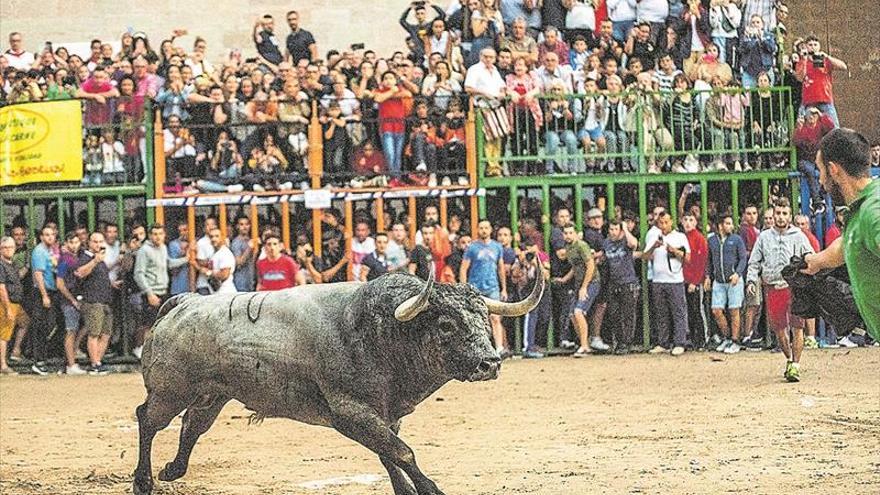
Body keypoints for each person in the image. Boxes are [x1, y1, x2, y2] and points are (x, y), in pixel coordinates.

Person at [803, 129, 879, 342]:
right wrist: (815, 261)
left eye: (820, 172)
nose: (820, 182)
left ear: (833, 169)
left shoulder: (872, 211)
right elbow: (848, 244)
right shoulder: (863, 206)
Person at [747, 198, 814, 382]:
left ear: (790, 216)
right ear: (773, 214)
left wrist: (810, 275)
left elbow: (810, 256)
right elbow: (754, 262)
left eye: (784, 213)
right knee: (779, 329)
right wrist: (751, 281)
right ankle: (789, 359)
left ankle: (795, 364)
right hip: (773, 286)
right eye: (778, 213)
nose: (781, 216)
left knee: (797, 326)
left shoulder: (799, 236)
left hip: (793, 286)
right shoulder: (764, 237)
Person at [133, 224, 189, 359]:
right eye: (155, 234)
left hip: (163, 291)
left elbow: (168, 263)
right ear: (150, 235)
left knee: (160, 323)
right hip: (151, 293)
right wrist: (149, 293)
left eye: (160, 234)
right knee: (148, 324)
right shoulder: (144, 251)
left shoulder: (163, 248)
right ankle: (140, 349)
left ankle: (152, 351)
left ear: (164, 235)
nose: (158, 237)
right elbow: (138, 274)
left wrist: (187, 259)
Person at [642, 212, 691, 356]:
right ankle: (663, 342)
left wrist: (674, 251)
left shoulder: (680, 237)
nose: (663, 226)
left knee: (678, 312)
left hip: (675, 280)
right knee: (661, 313)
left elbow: (687, 258)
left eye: (665, 222)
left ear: (671, 222)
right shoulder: (655, 236)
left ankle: (679, 342)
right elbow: (645, 256)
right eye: (660, 223)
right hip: (658, 280)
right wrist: (653, 247)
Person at [554, 223, 607, 356]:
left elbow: (590, 266)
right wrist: (565, 279)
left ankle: (583, 346)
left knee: (578, 312)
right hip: (579, 283)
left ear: (576, 233)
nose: (568, 235)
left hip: (591, 282)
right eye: (566, 233)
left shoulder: (581, 245)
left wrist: (584, 287)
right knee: (572, 314)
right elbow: (575, 266)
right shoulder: (569, 247)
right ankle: (585, 343)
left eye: (571, 232)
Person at [460, 219, 509, 356]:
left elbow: (500, 268)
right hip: (475, 288)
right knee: (477, 320)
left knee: (495, 318)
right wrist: (464, 288)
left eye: (486, 227)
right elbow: (463, 269)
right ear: (477, 229)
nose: (484, 230)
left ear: (491, 229)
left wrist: (503, 288)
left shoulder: (497, 247)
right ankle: (480, 349)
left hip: (493, 287)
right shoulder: (472, 247)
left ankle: (499, 348)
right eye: (481, 228)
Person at [705, 214, 748, 354]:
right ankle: (727, 337)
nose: (731, 226)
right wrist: (707, 276)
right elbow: (709, 261)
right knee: (716, 310)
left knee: (734, 310)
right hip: (718, 281)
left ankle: (735, 340)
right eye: (728, 223)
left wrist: (738, 273)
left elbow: (742, 258)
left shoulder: (737, 239)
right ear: (720, 225)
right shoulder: (712, 240)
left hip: (733, 280)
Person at [73, 232, 115, 375]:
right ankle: (95, 364)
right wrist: (95, 261)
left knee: (106, 334)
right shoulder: (85, 257)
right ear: (89, 243)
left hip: (105, 301)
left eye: (100, 241)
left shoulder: (100, 259)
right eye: (95, 242)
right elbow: (80, 273)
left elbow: (99, 277)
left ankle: (98, 361)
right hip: (92, 301)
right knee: (94, 334)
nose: (98, 244)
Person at [602, 220, 641, 354]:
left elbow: (634, 244)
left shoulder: (626, 240)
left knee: (628, 314)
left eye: (615, 229)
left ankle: (626, 343)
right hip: (614, 282)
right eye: (611, 229)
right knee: (614, 314)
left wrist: (626, 229)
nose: (613, 232)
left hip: (628, 282)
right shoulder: (606, 243)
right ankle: (619, 342)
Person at [28, 226, 61, 375]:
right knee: (41, 326)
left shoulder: (50, 251)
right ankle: (38, 360)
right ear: (41, 237)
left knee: (48, 325)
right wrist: (44, 295)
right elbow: (38, 274)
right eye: (46, 235)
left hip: (50, 291)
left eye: (52, 235)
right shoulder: (39, 251)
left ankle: (41, 359)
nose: (50, 237)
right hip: (43, 291)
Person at [510, 237, 550, 359]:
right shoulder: (520, 259)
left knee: (544, 316)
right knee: (531, 316)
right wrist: (521, 262)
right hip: (528, 290)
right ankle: (528, 347)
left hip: (543, 290)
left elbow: (547, 276)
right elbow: (514, 276)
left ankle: (537, 344)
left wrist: (535, 262)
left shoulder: (543, 256)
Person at [56, 232, 87, 375]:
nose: (74, 245)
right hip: (69, 301)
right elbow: (60, 284)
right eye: (71, 242)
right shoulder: (64, 260)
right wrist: (72, 300)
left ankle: (73, 355)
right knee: (71, 331)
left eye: (76, 242)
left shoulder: (77, 257)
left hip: (77, 299)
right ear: (66, 244)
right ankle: (71, 364)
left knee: (84, 326)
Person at [0, 236, 28, 375]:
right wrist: (7, 308)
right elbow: (1, 288)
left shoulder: (12, 264)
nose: (9, 250)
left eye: (11, 247)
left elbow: (18, 276)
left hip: (15, 303)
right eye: (5, 247)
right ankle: (3, 365)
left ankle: (16, 351)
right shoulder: (1, 265)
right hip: (7, 303)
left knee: (24, 322)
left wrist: (27, 266)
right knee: (4, 334)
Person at [681, 212, 709, 350]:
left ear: (695, 222)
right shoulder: (682, 238)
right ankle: (692, 338)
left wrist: (695, 281)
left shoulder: (699, 238)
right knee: (689, 311)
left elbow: (701, 262)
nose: (688, 223)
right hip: (683, 280)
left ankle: (702, 339)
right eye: (685, 220)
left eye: (691, 220)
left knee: (697, 309)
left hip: (694, 281)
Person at [196, 227, 237, 294]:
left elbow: (224, 275)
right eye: (211, 237)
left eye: (217, 236)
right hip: (217, 293)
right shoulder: (215, 254)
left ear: (222, 238)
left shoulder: (225, 253)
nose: (214, 239)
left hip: (226, 293)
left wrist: (208, 272)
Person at [231, 217, 256, 292]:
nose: (245, 227)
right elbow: (238, 263)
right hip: (241, 282)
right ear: (237, 227)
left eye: (247, 224)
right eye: (241, 224)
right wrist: (249, 248)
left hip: (250, 281)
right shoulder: (236, 242)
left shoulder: (250, 240)